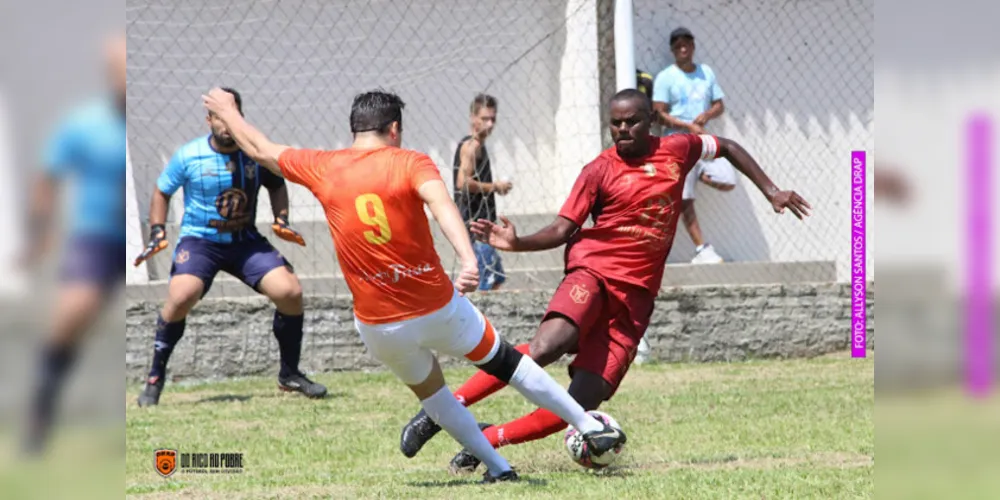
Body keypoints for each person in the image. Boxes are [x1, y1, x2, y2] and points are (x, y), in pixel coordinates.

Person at [200, 87, 627, 484]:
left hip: (379, 327)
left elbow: (259, 148)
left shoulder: (323, 166)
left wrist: (228, 111)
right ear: (394, 129)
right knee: (507, 363)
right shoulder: (410, 161)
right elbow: (442, 206)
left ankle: (498, 468)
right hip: (439, 310)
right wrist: (467, 258)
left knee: (433, 395)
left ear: (354, 128)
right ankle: (589, 425)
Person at [398, 89, 811, 473]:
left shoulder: (678, 150)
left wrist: (771, 191)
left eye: (631, 122)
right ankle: (444, 408)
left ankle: (486, 439)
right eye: (615, 124)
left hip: (635, 300)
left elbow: (729, 147)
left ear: (650, 121)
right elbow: (563, 229)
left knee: (580, 403)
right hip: (593, 273)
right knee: (547, 345)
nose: (622, 131)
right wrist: (517, 242)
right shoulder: (599, 170)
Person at [132, 88, 326, 407]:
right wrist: (156, 232)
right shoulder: (189, 155)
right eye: (219, 118)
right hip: (200, 241)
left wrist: (282, 219)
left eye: (231, 116)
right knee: (181, 295)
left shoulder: (254, 154)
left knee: (289, 292)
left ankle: (289, 374)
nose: (225, 125)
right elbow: (161, 190)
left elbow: (277, 183)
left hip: (245, 242)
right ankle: (154, 379)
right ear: (209, 119)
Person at [21, 34, 127, 454]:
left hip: (137, 242)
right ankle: (40, 414)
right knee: (73, 312)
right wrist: (41, 236)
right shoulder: (85, 123)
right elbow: (47, 176)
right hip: (97, 236)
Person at [652, 26, 731, 264]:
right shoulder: (666, 77)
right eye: (677, 45)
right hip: (677, 143)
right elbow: (658, 113)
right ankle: (701, 249)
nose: (683, 48)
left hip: (703, 140)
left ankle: (696, 177)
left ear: (693, 46)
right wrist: (687, 126)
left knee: (727, 180)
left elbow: (719, 104)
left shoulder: (706, 72)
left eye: (686, 43)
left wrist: (706, 116)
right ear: (672, 50)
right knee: (684, 199)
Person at [453, 94, 512, 291]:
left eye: (493, 119)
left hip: (484, 225)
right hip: (475, 226)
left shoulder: (480, 145)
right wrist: (495, 186)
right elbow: (463, 183)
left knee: (496, 281)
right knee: (483, 286)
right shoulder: (472, 146)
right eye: (485, 118)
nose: (490, 123)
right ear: (473, 118)